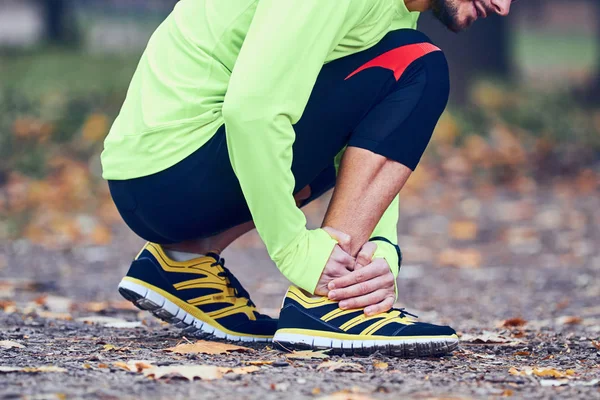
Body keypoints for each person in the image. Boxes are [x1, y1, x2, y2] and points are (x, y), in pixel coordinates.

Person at [102, 0, 515, 357]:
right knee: (421, 67)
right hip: (174, 170)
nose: (503, 6)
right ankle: (332, 301)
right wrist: (297, 253)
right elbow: (253, 112)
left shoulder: (396, 14)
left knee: (407, 64)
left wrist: (380, 250)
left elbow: (374, 136)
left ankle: (182, 261)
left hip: (154, 180)